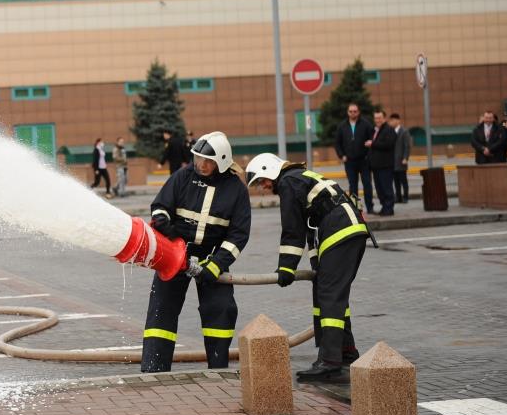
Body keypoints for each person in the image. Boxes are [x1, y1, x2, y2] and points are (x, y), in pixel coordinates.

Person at [245, 153, 369, 382]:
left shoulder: (288, 182)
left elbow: (293, 230)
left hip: (340, 233)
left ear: (270, 170)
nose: (263, 187)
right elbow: (311, 227)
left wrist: (286, 268)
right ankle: (345, 352)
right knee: (329, 293)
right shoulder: (299, 177)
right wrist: (316, 267)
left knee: (329, 295)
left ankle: (330, 362)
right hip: (349, 232)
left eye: (262, 181)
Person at [142, 131, 250, 371]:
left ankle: (218, 369)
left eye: (207, 161)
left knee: (221, 309)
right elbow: (160, 206)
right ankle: (154, 369)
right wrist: (163, 223)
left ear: (222, 161)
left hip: (212, 258)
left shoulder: (236, 190)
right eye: (198, 158)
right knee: (161, 308)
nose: (201, 164)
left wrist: (216, 265)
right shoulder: (182, 177)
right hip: (174, 254)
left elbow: (238, 235)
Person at [334, 104, 375, 213]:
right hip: (349, 161)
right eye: (351, 111)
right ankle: (356, 208)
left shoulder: (366, 124)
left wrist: (369, 154)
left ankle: (370, 208)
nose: (353, 113)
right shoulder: (342, 126)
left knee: (367, 184)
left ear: (358, 112)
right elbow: (337, 143)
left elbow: (373, 139)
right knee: (353, 186)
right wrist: (341, 155)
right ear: (348, 112)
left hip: (364, 160)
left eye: (355, 111)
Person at [366, 110, 397, 216]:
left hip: (385, 166)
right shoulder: (376, 130)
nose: (377, 120)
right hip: (376, 166)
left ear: (384, 118)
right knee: (380, 189)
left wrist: (372, 144)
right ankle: (385, 207)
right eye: (376, 118)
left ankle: (389, 209)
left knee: (386, 188)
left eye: (379, 118)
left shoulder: (389, 130)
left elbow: (388, 144)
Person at [388, 113, 411, 204]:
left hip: (401, 160)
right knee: (396, 181)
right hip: (393, 161)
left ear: (398, 121)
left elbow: (407, 146)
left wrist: (405, 158)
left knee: (403, 181)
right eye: (390, 121)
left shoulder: (404, 132)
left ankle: (405, 197)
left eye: (392, 120)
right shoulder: (391, 131)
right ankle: (398, 197)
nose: (391, 122)